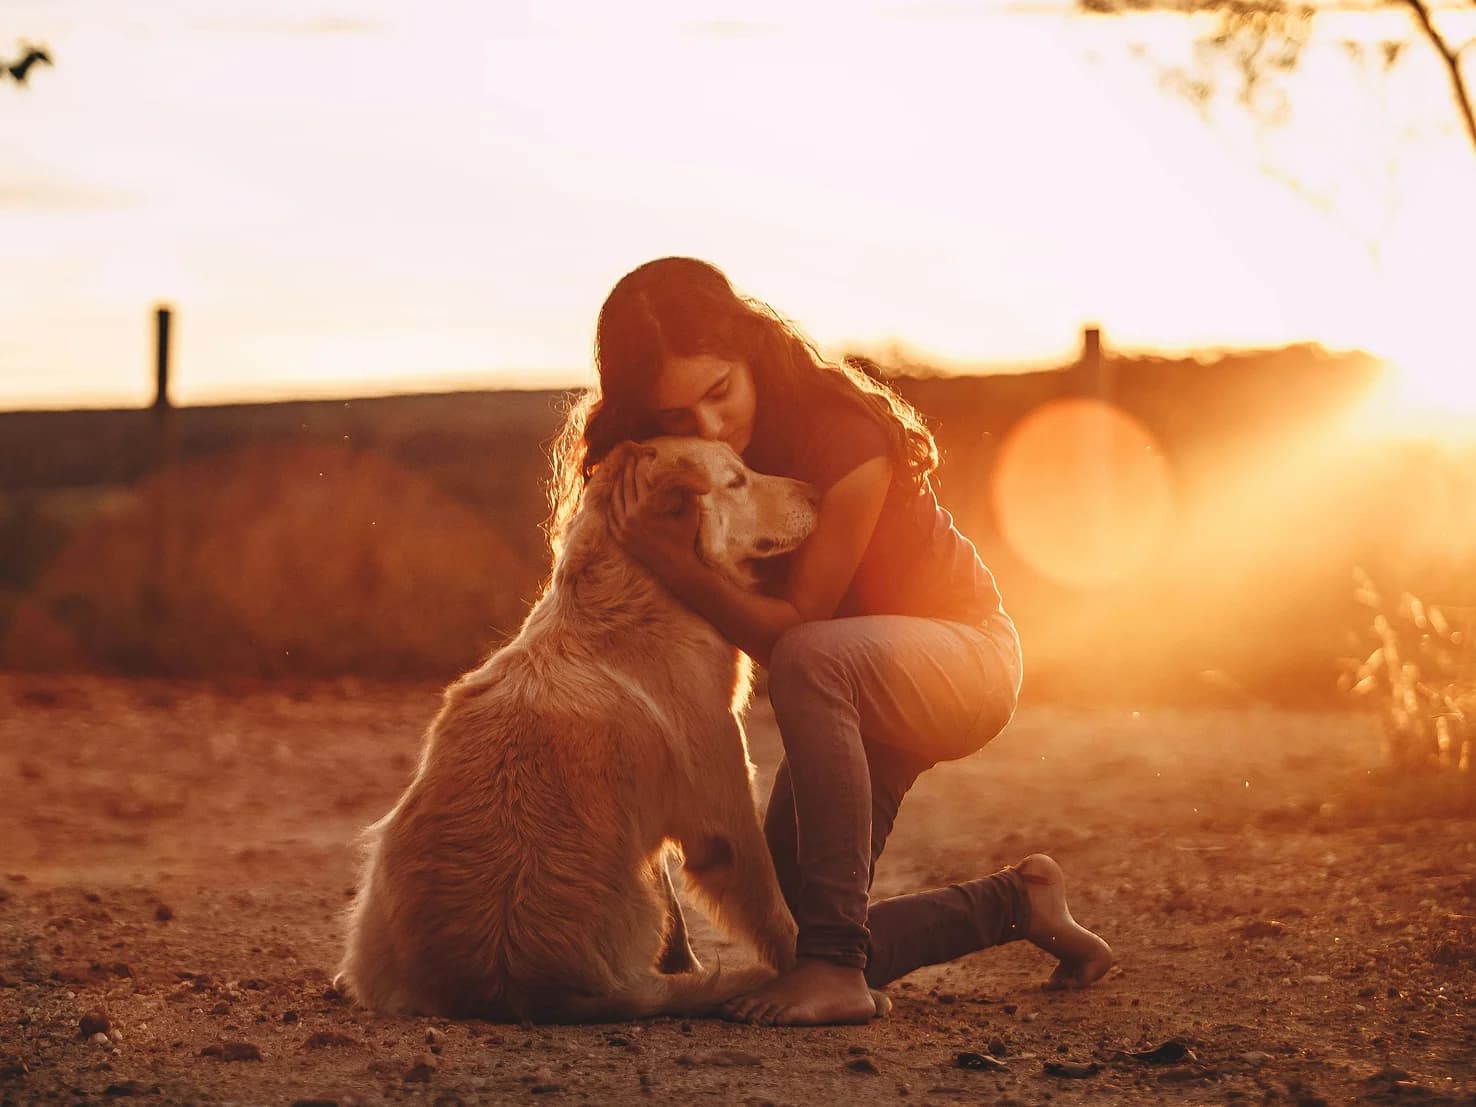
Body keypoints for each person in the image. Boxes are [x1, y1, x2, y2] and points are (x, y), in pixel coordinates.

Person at [546, 257, 1113, 1026]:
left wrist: (673, 563)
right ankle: (1018, 903)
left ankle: (837, 974)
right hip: (854, 685)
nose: (709, 428)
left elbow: (798, 631)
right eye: (678, 416)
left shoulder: (842, 437)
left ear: (750, 349)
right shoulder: (675, 462)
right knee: (790, 927)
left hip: (963, 658)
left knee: (814, 656)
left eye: (720, 392)